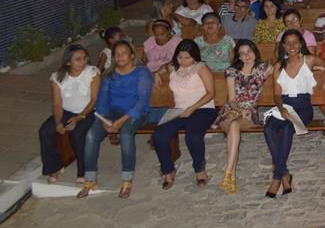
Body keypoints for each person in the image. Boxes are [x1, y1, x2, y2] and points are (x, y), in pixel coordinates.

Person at [78, 41, 152, 199]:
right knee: (91, 135)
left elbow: (141, 101)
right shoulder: (109, 75)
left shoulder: (142, 72)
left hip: (135, 113)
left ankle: (127, 180)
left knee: (125, 134)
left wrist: (120, 122)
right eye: (116, 54)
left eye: (123, 53)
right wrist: (104, 119)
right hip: (112, 113)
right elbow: (102, 100)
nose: (119, 57)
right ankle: (89, 179)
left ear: (132, 55)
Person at [263, 29, 322, 198]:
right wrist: (281, 109)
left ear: (301, 43)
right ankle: (284, 173)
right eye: (288, 43)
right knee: (269, 128)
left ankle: (277, 177)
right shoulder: (279, 66)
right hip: (285, 106)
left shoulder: (309, 60)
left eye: (295, 42)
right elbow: (276, 94)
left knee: (288, 128)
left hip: (303, 107)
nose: (292, 46)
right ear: (283, 46)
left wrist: (322, 70)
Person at [151, 40, 217, 189]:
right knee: (159, 136)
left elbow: (211, 93)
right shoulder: (174, 67)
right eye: (180, 57)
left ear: (194, 57)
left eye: (187, 58)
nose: (184, 61)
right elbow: (163, 68)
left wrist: (193, 108)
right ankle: (168, 170)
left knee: (193, 136)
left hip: (203, 108)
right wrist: (157, 73)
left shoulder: (201, 68)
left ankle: (199, 169)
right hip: (179, 109)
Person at [215, 39, 272, 193]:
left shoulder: (263, 68)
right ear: (238, 56)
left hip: (250, 112)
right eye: (242, 53)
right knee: (232, 124)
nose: (247, 55)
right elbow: (232, 100)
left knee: (235, 126)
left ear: (255, 52)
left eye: (249, 51)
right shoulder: (232, 71)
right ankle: (230, 174)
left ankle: (229, 172)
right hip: (231, 110)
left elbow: (284, 66)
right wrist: (239, 111)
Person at [39, 44, 100, 184]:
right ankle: (54, 167)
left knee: (77, 133)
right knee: (45, 131)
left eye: (85, 58)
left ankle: (82, 171)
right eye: (78, 59)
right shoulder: (57, 78)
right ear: (68, 62)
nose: (83, 62)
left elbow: (94, 100)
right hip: (66, 111)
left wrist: (79, 118)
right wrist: (59, 122)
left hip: (88, 111)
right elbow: (57, 104)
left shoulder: (92, 72)